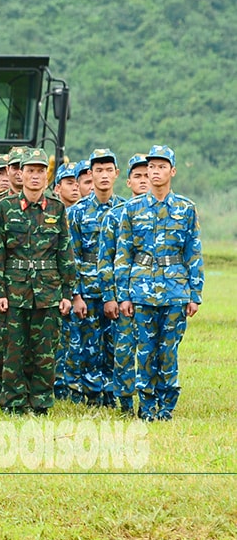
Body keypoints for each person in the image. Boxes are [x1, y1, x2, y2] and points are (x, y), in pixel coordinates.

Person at [106, 145, 201, 421]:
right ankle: (147, 407)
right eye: (151, 167)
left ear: (172, 171)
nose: (155, 171)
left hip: (174, 291)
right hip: (141, 291)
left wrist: (195, 294)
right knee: (145, 351)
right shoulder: (132, 209)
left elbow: (193, 252)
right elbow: (123, 254)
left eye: (161, 166)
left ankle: (167, 406)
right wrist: (123, 295)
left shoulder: (185, 209)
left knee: (168, 350)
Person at [0, 149, 75, 415]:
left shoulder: (56, 208)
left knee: (44, 350)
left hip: (47, 290)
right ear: (19, 174)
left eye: (39, 171)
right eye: (30, 171)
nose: (35, 176)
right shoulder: (4, 208)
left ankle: (41, 401)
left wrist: (67, 291)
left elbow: (64, 252)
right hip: (14, 289)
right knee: (13, 348)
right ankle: (13, 401)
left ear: (46, 176)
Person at [66, 150, 125, 408]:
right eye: (97, 171)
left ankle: (112, 395)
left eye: (107, 170)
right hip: (88, 291)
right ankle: (92, 396)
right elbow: (72, 256)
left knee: (115, 345)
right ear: (90, 175)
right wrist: (76, 295)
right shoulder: (77, 212)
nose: (103, 175)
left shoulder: (126, 210)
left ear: (116, 174)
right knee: (90, 347)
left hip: (116, 289)